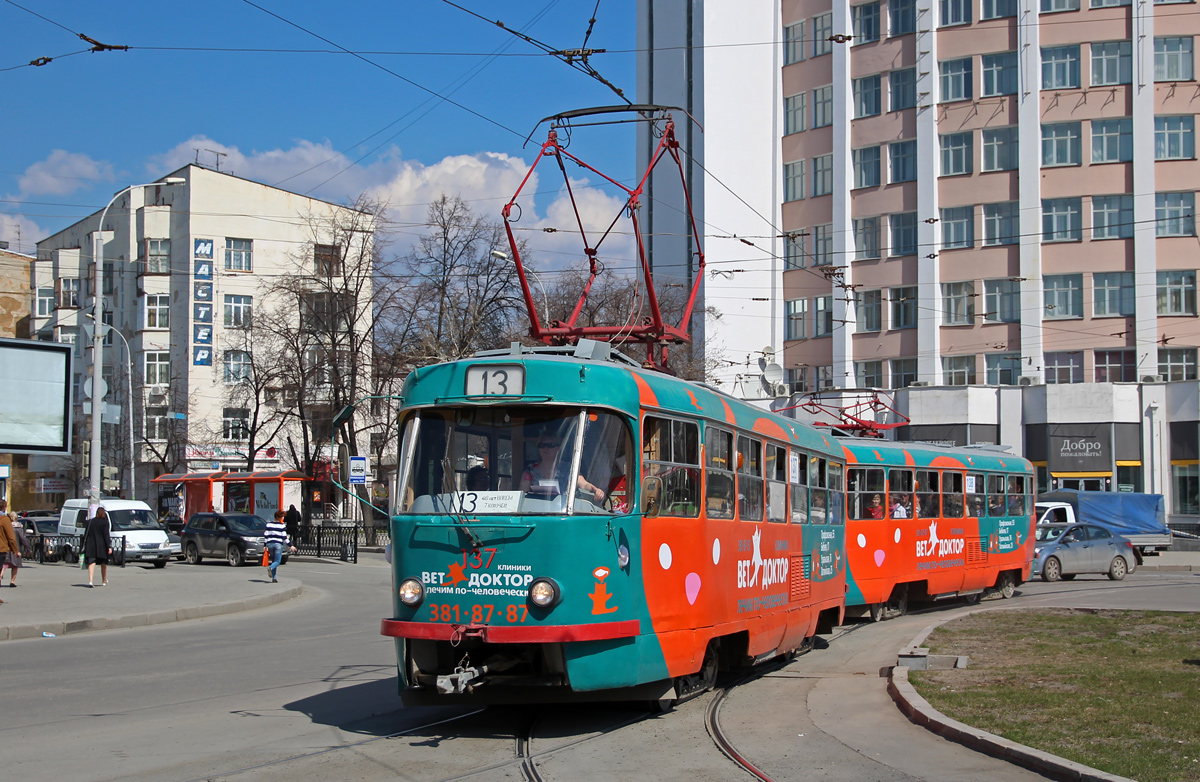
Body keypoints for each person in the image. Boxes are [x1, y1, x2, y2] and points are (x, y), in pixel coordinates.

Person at [518, 436, 605, 502]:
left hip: (562, 512)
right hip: (536, 511)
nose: (546, 449)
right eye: (542, 445)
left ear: (558, 448)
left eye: (551, 445)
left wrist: (595, 490)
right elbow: (522, 493)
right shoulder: (530, 470)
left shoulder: (568, 468)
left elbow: (583, 484)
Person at [83, 506, 113, 588]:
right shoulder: (105, 522)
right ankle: (104, 580)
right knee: (103, 563)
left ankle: (90, 581)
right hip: (101, 546)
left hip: (91, 545)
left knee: (91, 562)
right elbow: (106, 535)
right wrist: (109, 546)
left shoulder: (90, 522)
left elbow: (86, 534)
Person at [264, 509, 296, 583]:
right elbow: (284, 538)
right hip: (278, 544)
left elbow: (266, 535)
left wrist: (265, 545)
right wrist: (291, 546)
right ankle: (270, 568)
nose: (282, 518)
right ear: (279, 517)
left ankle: (274, 578)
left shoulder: (268, 525)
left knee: (274, 561)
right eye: (281, 517)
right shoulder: (282, 526)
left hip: (270, 544)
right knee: (277, 561)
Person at [0, 500, 19, 591]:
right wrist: (15, 550)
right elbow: (11, 537)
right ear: (4, 507)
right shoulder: (4, 519)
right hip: (1, 549)